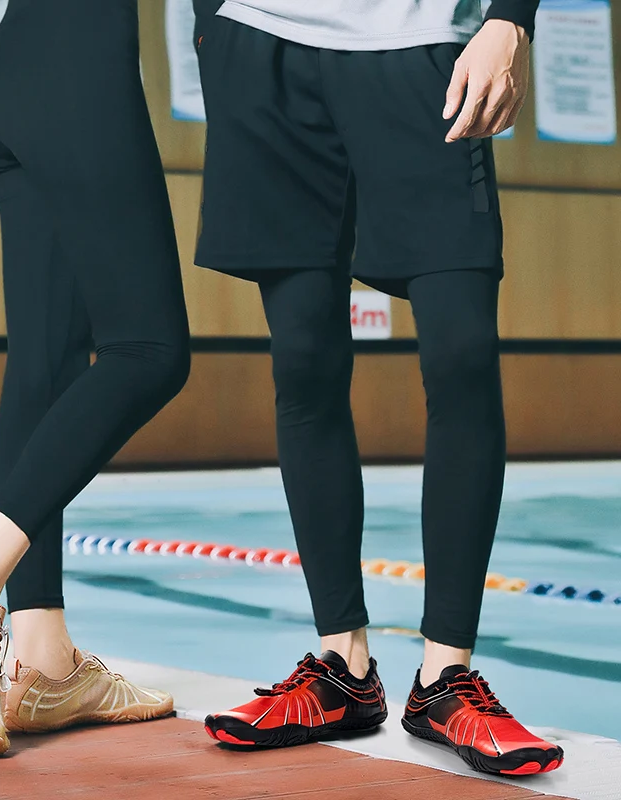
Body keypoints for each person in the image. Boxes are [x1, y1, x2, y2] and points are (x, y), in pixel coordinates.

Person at [195, 0, 565, 776]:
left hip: (424, 44)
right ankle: (344, 668)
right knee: (303, 361)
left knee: (462, 355)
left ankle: (444, 678)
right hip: (263, 47)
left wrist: (510, 18)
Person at [0, 0, 190, 756]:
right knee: (150, 350)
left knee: (47, 361)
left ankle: (46, 661)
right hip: (79, 59)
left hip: (12, 67)